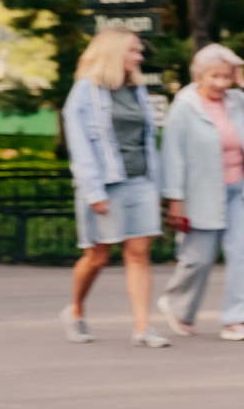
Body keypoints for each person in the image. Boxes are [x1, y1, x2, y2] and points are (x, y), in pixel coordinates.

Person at [158, 43, 244, 341]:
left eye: (227, 77)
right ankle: (178, 306)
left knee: (240, 252)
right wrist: (175, 200)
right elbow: (173, 156)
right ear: (199, 75)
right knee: (199, 258)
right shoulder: (184, 107)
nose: (222, 84)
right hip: (201, 193)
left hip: (238, 189)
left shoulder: (237, 100)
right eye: (215, 76)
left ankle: (237, 319)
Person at [60, 27, 167, 347]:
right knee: (98, 256)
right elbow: (79, 144)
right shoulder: (85, 92)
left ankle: (143, 328)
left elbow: (147, 140)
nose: (140, 56)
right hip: (106, 183)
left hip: (140, 181)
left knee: (139, 254)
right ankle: (76, 310)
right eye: (133, 51)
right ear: (113, 52)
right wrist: (93, 191)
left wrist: (158, 185)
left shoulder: (137, 89)